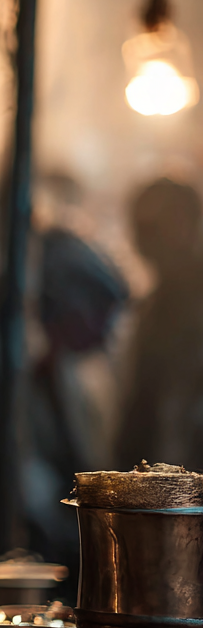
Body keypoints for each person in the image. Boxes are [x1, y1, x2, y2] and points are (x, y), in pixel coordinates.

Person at [0, 229, 127, 564]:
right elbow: (4, 489)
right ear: (68, 306)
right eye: (101, 314)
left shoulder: (55, 371)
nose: (108, 334)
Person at [118, 177, 203, 470]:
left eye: (155, 228)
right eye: (141, 229)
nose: (144, 240)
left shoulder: (186, 302)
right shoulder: (155, 304)